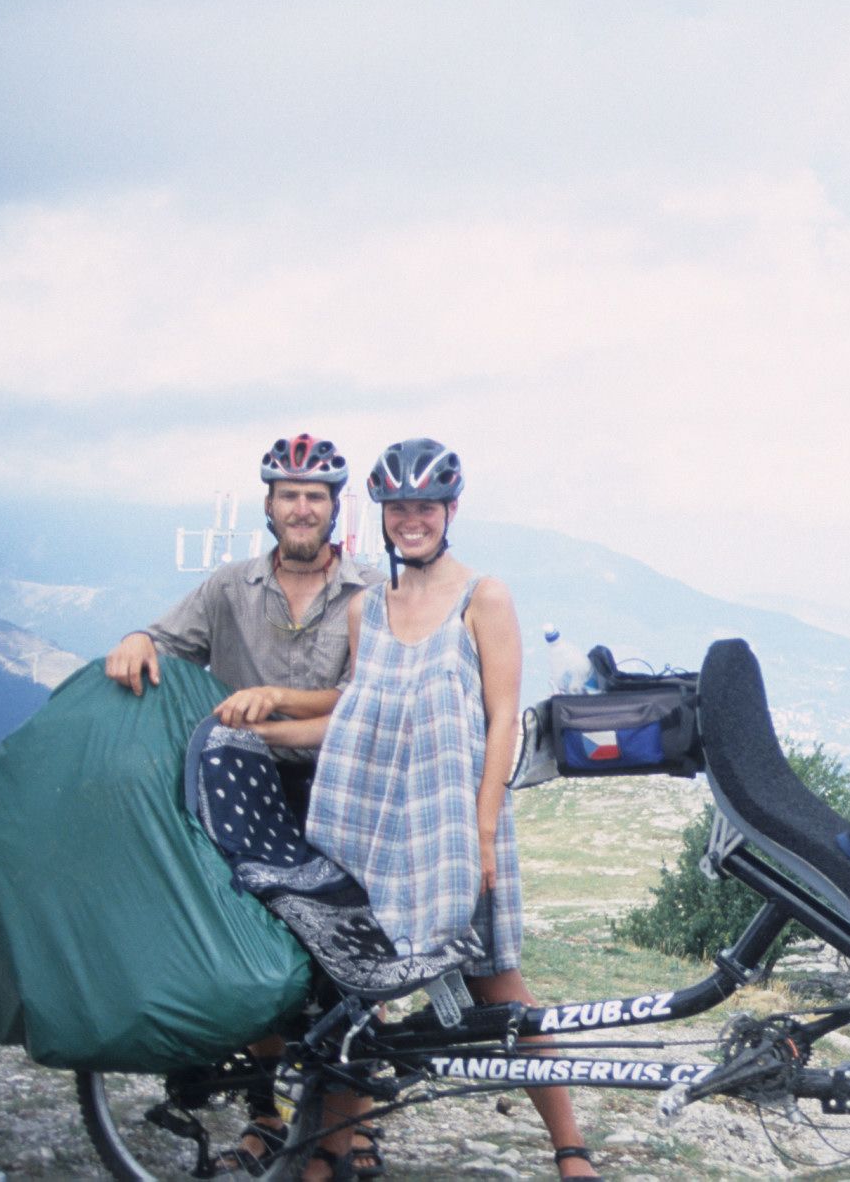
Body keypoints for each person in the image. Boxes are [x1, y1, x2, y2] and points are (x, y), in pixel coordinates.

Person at [252, 438, 597, 1182]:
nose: (411, 520)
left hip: (450, 829)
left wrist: (479, 834)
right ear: (381, 514)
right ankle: (330, 1153)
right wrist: (256, 729)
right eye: (398, 508)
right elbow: (352, 716)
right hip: (368, 824)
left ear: (450, 511)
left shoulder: (485, 597)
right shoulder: (366, 610)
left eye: (425, 507)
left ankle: (570, 1149)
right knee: (357, 1000)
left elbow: (503, 720)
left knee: (497, 985)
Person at [103, 432, 388, 1176]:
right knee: (255, 956)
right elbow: (164, 638)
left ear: (334, 509)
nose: (301, 508)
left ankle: (349, 1124)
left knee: (353, 957)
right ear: (268, 505)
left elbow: (369, 699)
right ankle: (266, 1114)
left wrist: (279, 705)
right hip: (247, 798)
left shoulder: (369, 592)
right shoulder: (229, 587)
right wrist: (138, 639)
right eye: (288, 495)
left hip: (339, 790)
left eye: (315, 497)